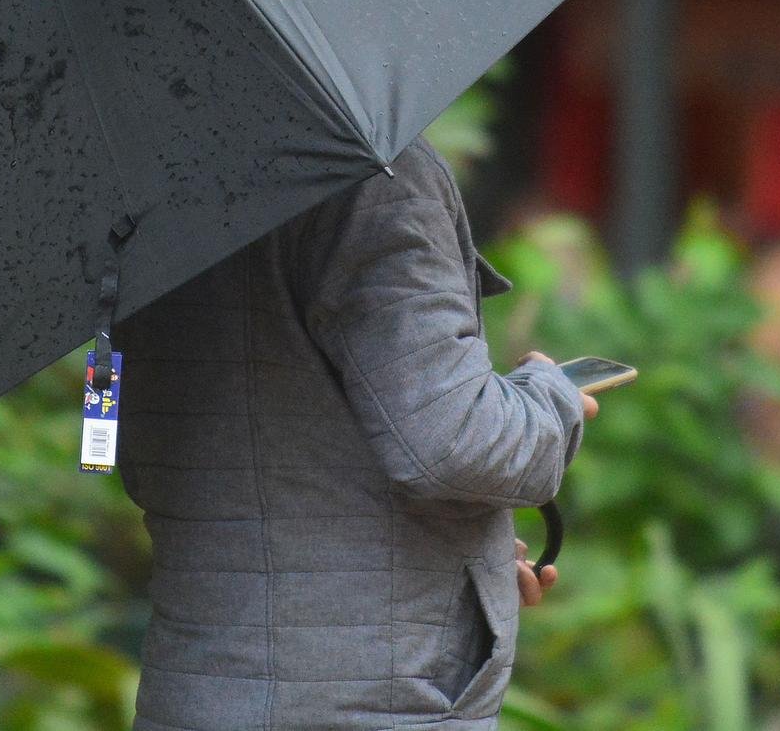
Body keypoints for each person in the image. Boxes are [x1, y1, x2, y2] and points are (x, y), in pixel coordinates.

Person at [114, 135, 596, 730]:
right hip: (369, 701)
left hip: (189, 698)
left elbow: (130, 453)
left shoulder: (135, 188)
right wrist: (551, 397)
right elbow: (459, 444)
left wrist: (467, 559)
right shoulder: (372, 173)